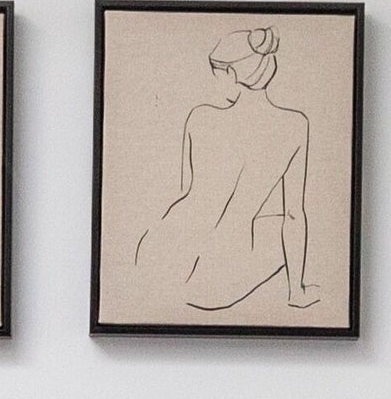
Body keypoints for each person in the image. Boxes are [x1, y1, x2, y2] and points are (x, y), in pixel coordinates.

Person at [125, 26, 318, 315]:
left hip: (155, 257)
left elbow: (185, 191)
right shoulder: (295, 126)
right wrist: (296, 291)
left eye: (217, 75)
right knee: (278, 222)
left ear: (231, 74)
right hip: (213, 284)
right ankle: (295, 292)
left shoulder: (200, 117)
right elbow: (294, 214)